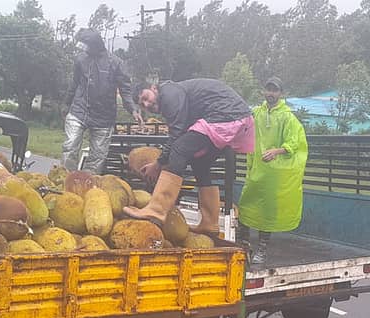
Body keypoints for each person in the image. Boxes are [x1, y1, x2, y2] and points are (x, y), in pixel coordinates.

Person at [123, 78, 254, 233]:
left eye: (146, 98)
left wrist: (158, 164)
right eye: (141, 105)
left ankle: (157, 210)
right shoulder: (172, 94)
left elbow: (177, 134)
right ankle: (210, 223)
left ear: (154, 88)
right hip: (236, 117)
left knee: (179, 149)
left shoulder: (169, 93)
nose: (146, 105)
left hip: (225, 115)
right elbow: (183, 130)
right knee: (200, 163)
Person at [237, 77, 308, 265]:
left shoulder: (287, 117)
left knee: (266, 211)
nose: (270, 94)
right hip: (257, 171)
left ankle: (261, 249)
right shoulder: (256, 113)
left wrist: (277, 150)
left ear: (281, 93)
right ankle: (243, 244)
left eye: (274, 90)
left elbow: (294, 142)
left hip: (273, 173)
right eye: (268, 89)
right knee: (245, 205)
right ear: (263, 91)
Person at [62, 28, 141, 174]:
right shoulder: (80, 59)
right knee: (70, 145)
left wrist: (133, 109)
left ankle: (86, 186)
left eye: (87, 45)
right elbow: (74, 84)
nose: (84, 48)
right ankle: (66, 180)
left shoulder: (115, 63)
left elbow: (125, 90)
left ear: (95, 45)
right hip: (79, 110)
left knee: (98, 156)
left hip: (104, 117)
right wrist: (66, 105)